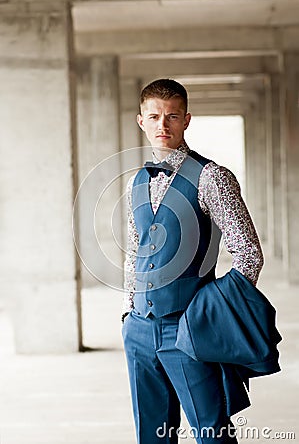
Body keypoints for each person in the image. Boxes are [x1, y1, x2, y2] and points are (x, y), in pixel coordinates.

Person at [121, 78, 264, 444]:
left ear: (186, 120)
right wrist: (128, 313)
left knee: (211, 433)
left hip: (189, 330)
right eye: (154, 117)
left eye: (171, 116)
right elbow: (136, 251)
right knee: (151, 436)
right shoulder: (135, 182)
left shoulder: (213, 177)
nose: (162, 125)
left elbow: (248, 254)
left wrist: (209, 314)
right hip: (139, 330)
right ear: (141, 121)